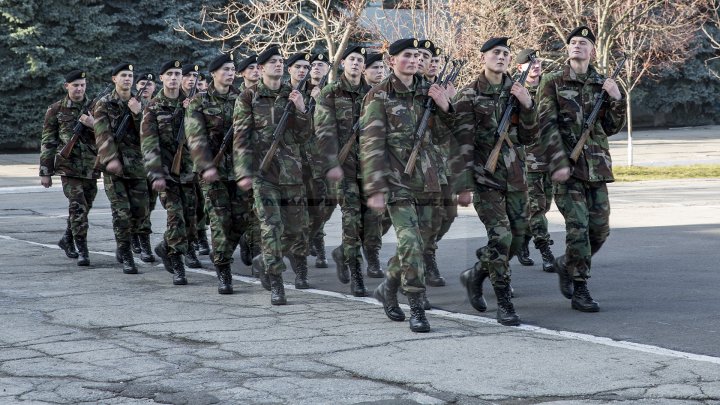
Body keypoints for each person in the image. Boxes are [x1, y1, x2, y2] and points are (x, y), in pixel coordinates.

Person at [360, 38, 454, 333]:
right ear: (392, 61)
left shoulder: (429, 92)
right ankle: (415, 305)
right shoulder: (379, 96)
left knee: (424, 243)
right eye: (407, 56)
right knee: (410, 244)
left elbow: (445, 136)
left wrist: (446, 106)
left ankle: (388, 286)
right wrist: (375, 188)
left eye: (417, 56)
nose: (414, 60)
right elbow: (371, 144)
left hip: (429, 180)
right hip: (397, 181)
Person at [537, 26, 626, 312]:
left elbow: (611, 127)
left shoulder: (603, 82)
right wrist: (558, 162)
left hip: (597, 167)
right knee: (578, 227)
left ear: (592, 51)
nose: (577, 46)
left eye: (583, 43)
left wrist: (617, 99)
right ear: (568, 49)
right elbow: (545, 124)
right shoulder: (552, 81)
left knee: (600, 230)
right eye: (573, 42)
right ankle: (580, 287)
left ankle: (568, 263)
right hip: (568, 168)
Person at [453, 37, 538, 326]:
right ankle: (504, 302)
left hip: (516, 178)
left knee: (518, 236)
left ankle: (476, 273)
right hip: (484, 179)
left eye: (505, 53)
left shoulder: (517, 91)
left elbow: (528, 137)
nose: (500, 57)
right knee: (501, 238)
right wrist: (463, 186)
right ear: (483, 58)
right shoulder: (468, 95)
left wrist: (528, 105)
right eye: (495, 53)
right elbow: (461, 144)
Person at [234, 45, 312, 305]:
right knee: (271, 229)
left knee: (295, 230)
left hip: (291, 173)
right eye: (273, 62)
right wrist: (244, 171)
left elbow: (303, 136)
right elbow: (241, 138)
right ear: (261, 67)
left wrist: (302, 110)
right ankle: (277, 282)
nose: (278, 65)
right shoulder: (248, 97)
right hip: (263, 174)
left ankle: (266, 262)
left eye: (281, 61)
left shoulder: (294, 95)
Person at [315, 45, 382, 296]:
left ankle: (343, 252)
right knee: (352, 218)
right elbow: (323, 131)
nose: (356, 63)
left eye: (360, 60)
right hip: (344, 169)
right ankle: (356, 272)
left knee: (372, 221)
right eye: (352, 59)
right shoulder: (330, 93)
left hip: (370, 168)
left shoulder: (374, 94)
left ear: (364, 67)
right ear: (343, 63)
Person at [185, 53, 251, 295]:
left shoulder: (243, 98)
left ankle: (220, 252)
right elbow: (195, 137)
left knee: (243, 220)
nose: (230, 73)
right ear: (213, 73)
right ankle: (223, 270)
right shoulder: (198, 102)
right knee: (221, 223)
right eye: (225, 69)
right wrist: (206, 166)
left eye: (233, 69)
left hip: (240, 171)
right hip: (213, 172)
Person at [141, 60, 200, 285]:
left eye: (177, 74)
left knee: (192, 223)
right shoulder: (154, 107)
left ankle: (165, 247)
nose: (174, 78)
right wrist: (155, 173)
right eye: (170, 74)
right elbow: (148, 143)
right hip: (166, 174)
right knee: (176, 219)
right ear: (162, 78)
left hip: (189, 172)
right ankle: (177, 264)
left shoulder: (191, 103)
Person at [93, 63, 149, 274]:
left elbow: (148, 134)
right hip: (114, 168)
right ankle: (125, 252)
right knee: (122, 212)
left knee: (140, 212)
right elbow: (102, 134)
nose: (127, 79)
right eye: (123, 75)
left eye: (130, 75)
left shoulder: (141, 102)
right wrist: (110, 159)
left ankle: (127, 244)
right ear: (114, 79)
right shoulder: (104, 104)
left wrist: (138, 113)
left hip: (137, 166)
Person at [40, 69, 100, 266]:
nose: (79, 89)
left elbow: (108, 134)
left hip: (91, 166)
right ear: (67, 86)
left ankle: (67, 238)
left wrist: (93, 124)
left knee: (85, 206)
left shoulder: (96, 108)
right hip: (68, 167)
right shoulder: (56, 110)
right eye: (75, 85)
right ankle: (82, 248)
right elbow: (48, 142)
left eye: (82, 85)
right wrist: (46, 172)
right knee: (78, 206)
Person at [516, 49, 554, 272]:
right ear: (520, 68)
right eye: (530, 63)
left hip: (550, 157)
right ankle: (545, 250)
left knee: (544, 206)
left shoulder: (550, 89)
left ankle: (522, 240)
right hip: (527, 160)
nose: (535, 65)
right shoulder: (517, 92)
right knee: (536, 208)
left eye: (537, 61)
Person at [305, 52, 334, 269]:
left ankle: (317, 240)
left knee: (324, 205)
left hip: (325, 158)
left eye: (320, 64)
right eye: (313, 64)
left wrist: (320, 100)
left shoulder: (332, 93)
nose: (316, 68)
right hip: (302, 158)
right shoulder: (297, 92)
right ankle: (314, 243)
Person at [130, 71, 157, 263]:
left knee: (150, 204)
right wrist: (137, 113)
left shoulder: (157, 105)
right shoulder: (129, 104)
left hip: (154, 163)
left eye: (149, 84)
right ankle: (140, 240)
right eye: (141, 83)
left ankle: (138, 235)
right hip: (134, 164)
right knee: (139, 206)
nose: (145, 87)